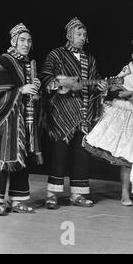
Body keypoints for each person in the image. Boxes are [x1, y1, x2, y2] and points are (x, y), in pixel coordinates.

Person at [40, 17, 107, 209]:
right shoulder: (56, 55)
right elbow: (45, 77)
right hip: (61, 113)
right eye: (78, 34)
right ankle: (52, 194)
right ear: (69, 36)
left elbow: (94, 82)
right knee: (59, 153)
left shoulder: (90, 59)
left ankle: (77, 194)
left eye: (84, 34)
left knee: (81, 154)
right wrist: (63, 82)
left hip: (83, 112)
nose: (82, 37)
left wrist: (100, 86)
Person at [84, 37, 133, 206]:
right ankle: (125, 193)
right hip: (130, 116)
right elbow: (116, 86)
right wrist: (121, 92)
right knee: (128, 157)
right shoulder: (127, 71)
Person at [0, 23, 42, 215]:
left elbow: (31, 95)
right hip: (6, 120)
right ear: (13, 41)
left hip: (25, 119)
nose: (26, 44)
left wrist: (35, 93)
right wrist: (21, 90)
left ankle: (18, 200)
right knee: (1, 160)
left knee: (23, 160)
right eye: (22, 40)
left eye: (29, 40)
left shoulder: (29, 63)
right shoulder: (4, 61)